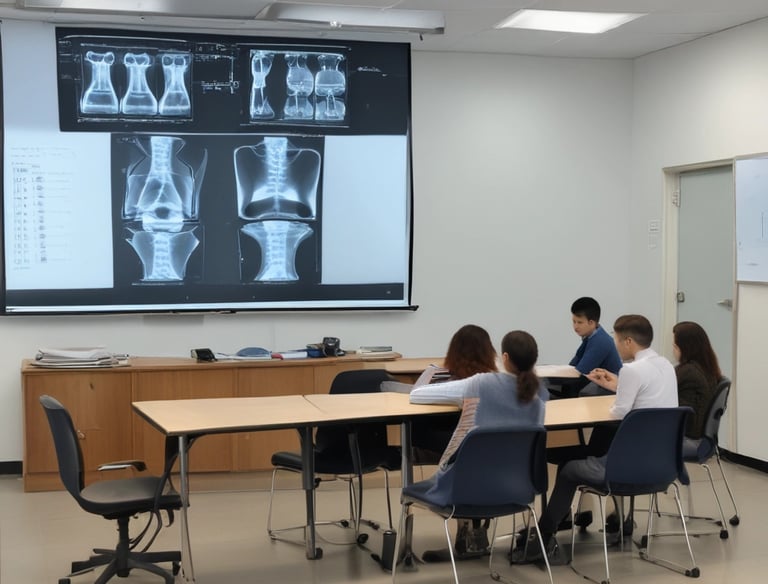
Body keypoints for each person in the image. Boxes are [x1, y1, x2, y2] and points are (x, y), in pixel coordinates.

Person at [516, 314, 677, 562]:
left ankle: (543, 536)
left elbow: (620, 411)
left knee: (570, 468)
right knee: (587, 451)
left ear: (628, 342)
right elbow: (646, 397)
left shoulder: (632, 370)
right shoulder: (665, 365)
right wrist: (618, 385)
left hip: (625, 468)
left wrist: (621, 388)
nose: (614, 343)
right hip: (661, 465)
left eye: (616, 338)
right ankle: (587, 522)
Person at [409, 330, 549, 561]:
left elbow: (417, 396)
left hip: (464, 486)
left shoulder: (481, 383)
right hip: (516, 490)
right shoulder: (540, 395)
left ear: (504, 357)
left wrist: (429, 374)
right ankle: (474, 537)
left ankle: (465, 540)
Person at [673, 321, 722, 456]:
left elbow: (660, 392)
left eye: (675, 346)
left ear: (685, 348)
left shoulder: (688, 371)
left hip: (688, 437)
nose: (673, 350)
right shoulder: (707, 369)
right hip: (702, 438)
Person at [558, 297, 623, 398]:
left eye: (579, 322)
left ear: (591, 323)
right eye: (574, 321)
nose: (575, 326)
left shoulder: (601, 341)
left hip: (607, 392)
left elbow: (580, 371)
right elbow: (574, 364)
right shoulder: (591, 337)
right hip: (596, 387)